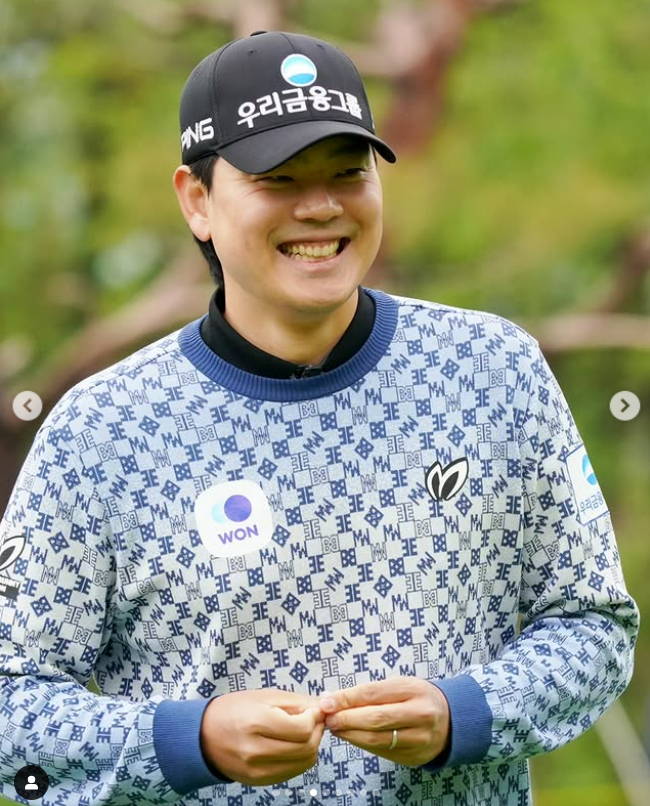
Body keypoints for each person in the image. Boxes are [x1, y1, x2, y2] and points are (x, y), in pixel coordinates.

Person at [0, 29, 639, 806]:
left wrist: (464, 715)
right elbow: (12, 706)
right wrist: (189, 740)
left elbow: (593, 625)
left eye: (347, 171)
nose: (321, 206)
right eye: (278, 179)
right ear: (197, 200)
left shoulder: (494, 371)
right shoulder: (101, 434)